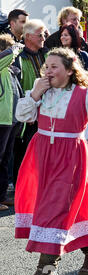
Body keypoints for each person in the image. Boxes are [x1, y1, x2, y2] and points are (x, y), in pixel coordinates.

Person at [14, 47, 88, 275]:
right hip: (40, 153)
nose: (48, 71)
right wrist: (35, 93)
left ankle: (45, 274)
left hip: (70, 154)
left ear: (70, 70)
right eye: (46, 67)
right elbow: (23, 116)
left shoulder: (87, 94)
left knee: (56, 208)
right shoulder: (41, 91)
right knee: (69, 207)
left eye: (54, 67)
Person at [12, 19, 48, 189]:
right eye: (39, 35)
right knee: (24, 151)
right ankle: (24, 187)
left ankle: (39, 184)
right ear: (28, 37)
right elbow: (17, 87)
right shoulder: (18, 57)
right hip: (27, 114)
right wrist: (28, 110)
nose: (43, 38)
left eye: (44, 34)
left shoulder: (47, 54)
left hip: (47, 112)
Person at [0, 35, 23, 211]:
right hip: (1, 121)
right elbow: (9, 53)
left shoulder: (8, 70)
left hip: (11, 121)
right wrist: (16, 46)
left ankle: (1, 196)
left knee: (5, 159)